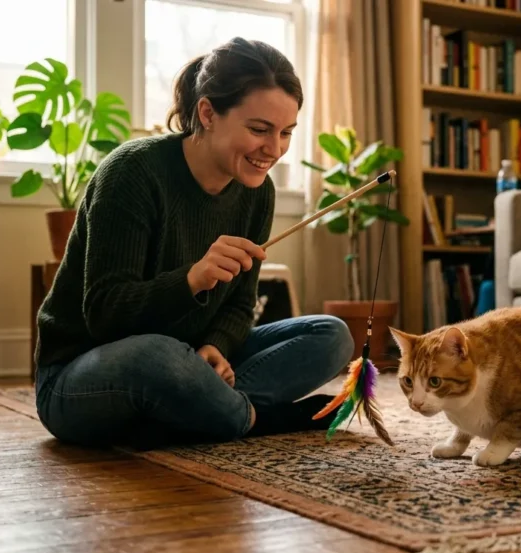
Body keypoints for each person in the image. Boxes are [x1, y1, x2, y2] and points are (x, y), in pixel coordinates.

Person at [32, 38, 355, 449]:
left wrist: (215, 345)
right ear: (207, 113)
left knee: (331, 335)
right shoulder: (132, 172)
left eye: (286, 133)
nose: (274, 150)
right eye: (259, 130)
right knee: (157, 355)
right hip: (82, 377)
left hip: (190, 363)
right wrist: (192, 279)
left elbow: (240, 304)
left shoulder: (258, 191)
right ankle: (250, 418)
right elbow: (104, 315)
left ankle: (197, 415)